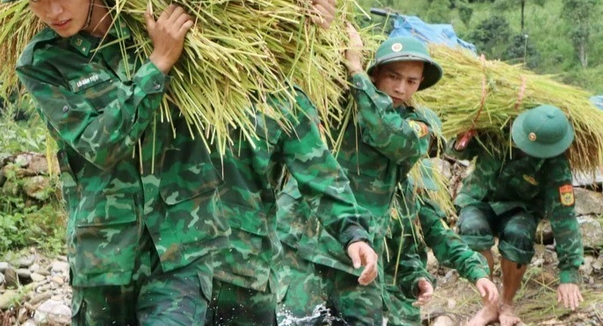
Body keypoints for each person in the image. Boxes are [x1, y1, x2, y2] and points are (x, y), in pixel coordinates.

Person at [5, 0, 229, 325]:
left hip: (181, 243)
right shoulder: (42, 63)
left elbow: (251, 63)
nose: (51, 11)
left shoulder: (153, 26)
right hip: (105, 254)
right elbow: (100, 145)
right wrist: (158, 65)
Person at [277, 29, 443, 326]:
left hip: (360, 251)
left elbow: (387, 133)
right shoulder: (339, 99)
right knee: (294, 320)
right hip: (304, 238)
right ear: (377, 73)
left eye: (411, 81)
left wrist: (356, 71)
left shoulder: (418, 126)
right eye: (393, 76)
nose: (401, 88)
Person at [208, 83, 377, 325]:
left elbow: (321, 176)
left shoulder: (283, 101)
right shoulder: (167, 77)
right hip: (166, 266)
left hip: (241, 269)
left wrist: (353, 234)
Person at [454, 105, 584, 326]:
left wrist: (568, 274)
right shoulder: (497, 130)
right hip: (479, 199)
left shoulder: (556, 165)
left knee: (519, 235)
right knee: (473, 227)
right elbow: (461, 150)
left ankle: (506, 303)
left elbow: (564, 216)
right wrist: (461, 139)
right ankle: (489, 305)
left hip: (520, 210)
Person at [383, 159, 499, 326]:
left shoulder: (419, 207)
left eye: (424, 191)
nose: (422, 194)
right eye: (419, 189)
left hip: (401, 292)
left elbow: (447, 241)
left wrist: (478, 274)